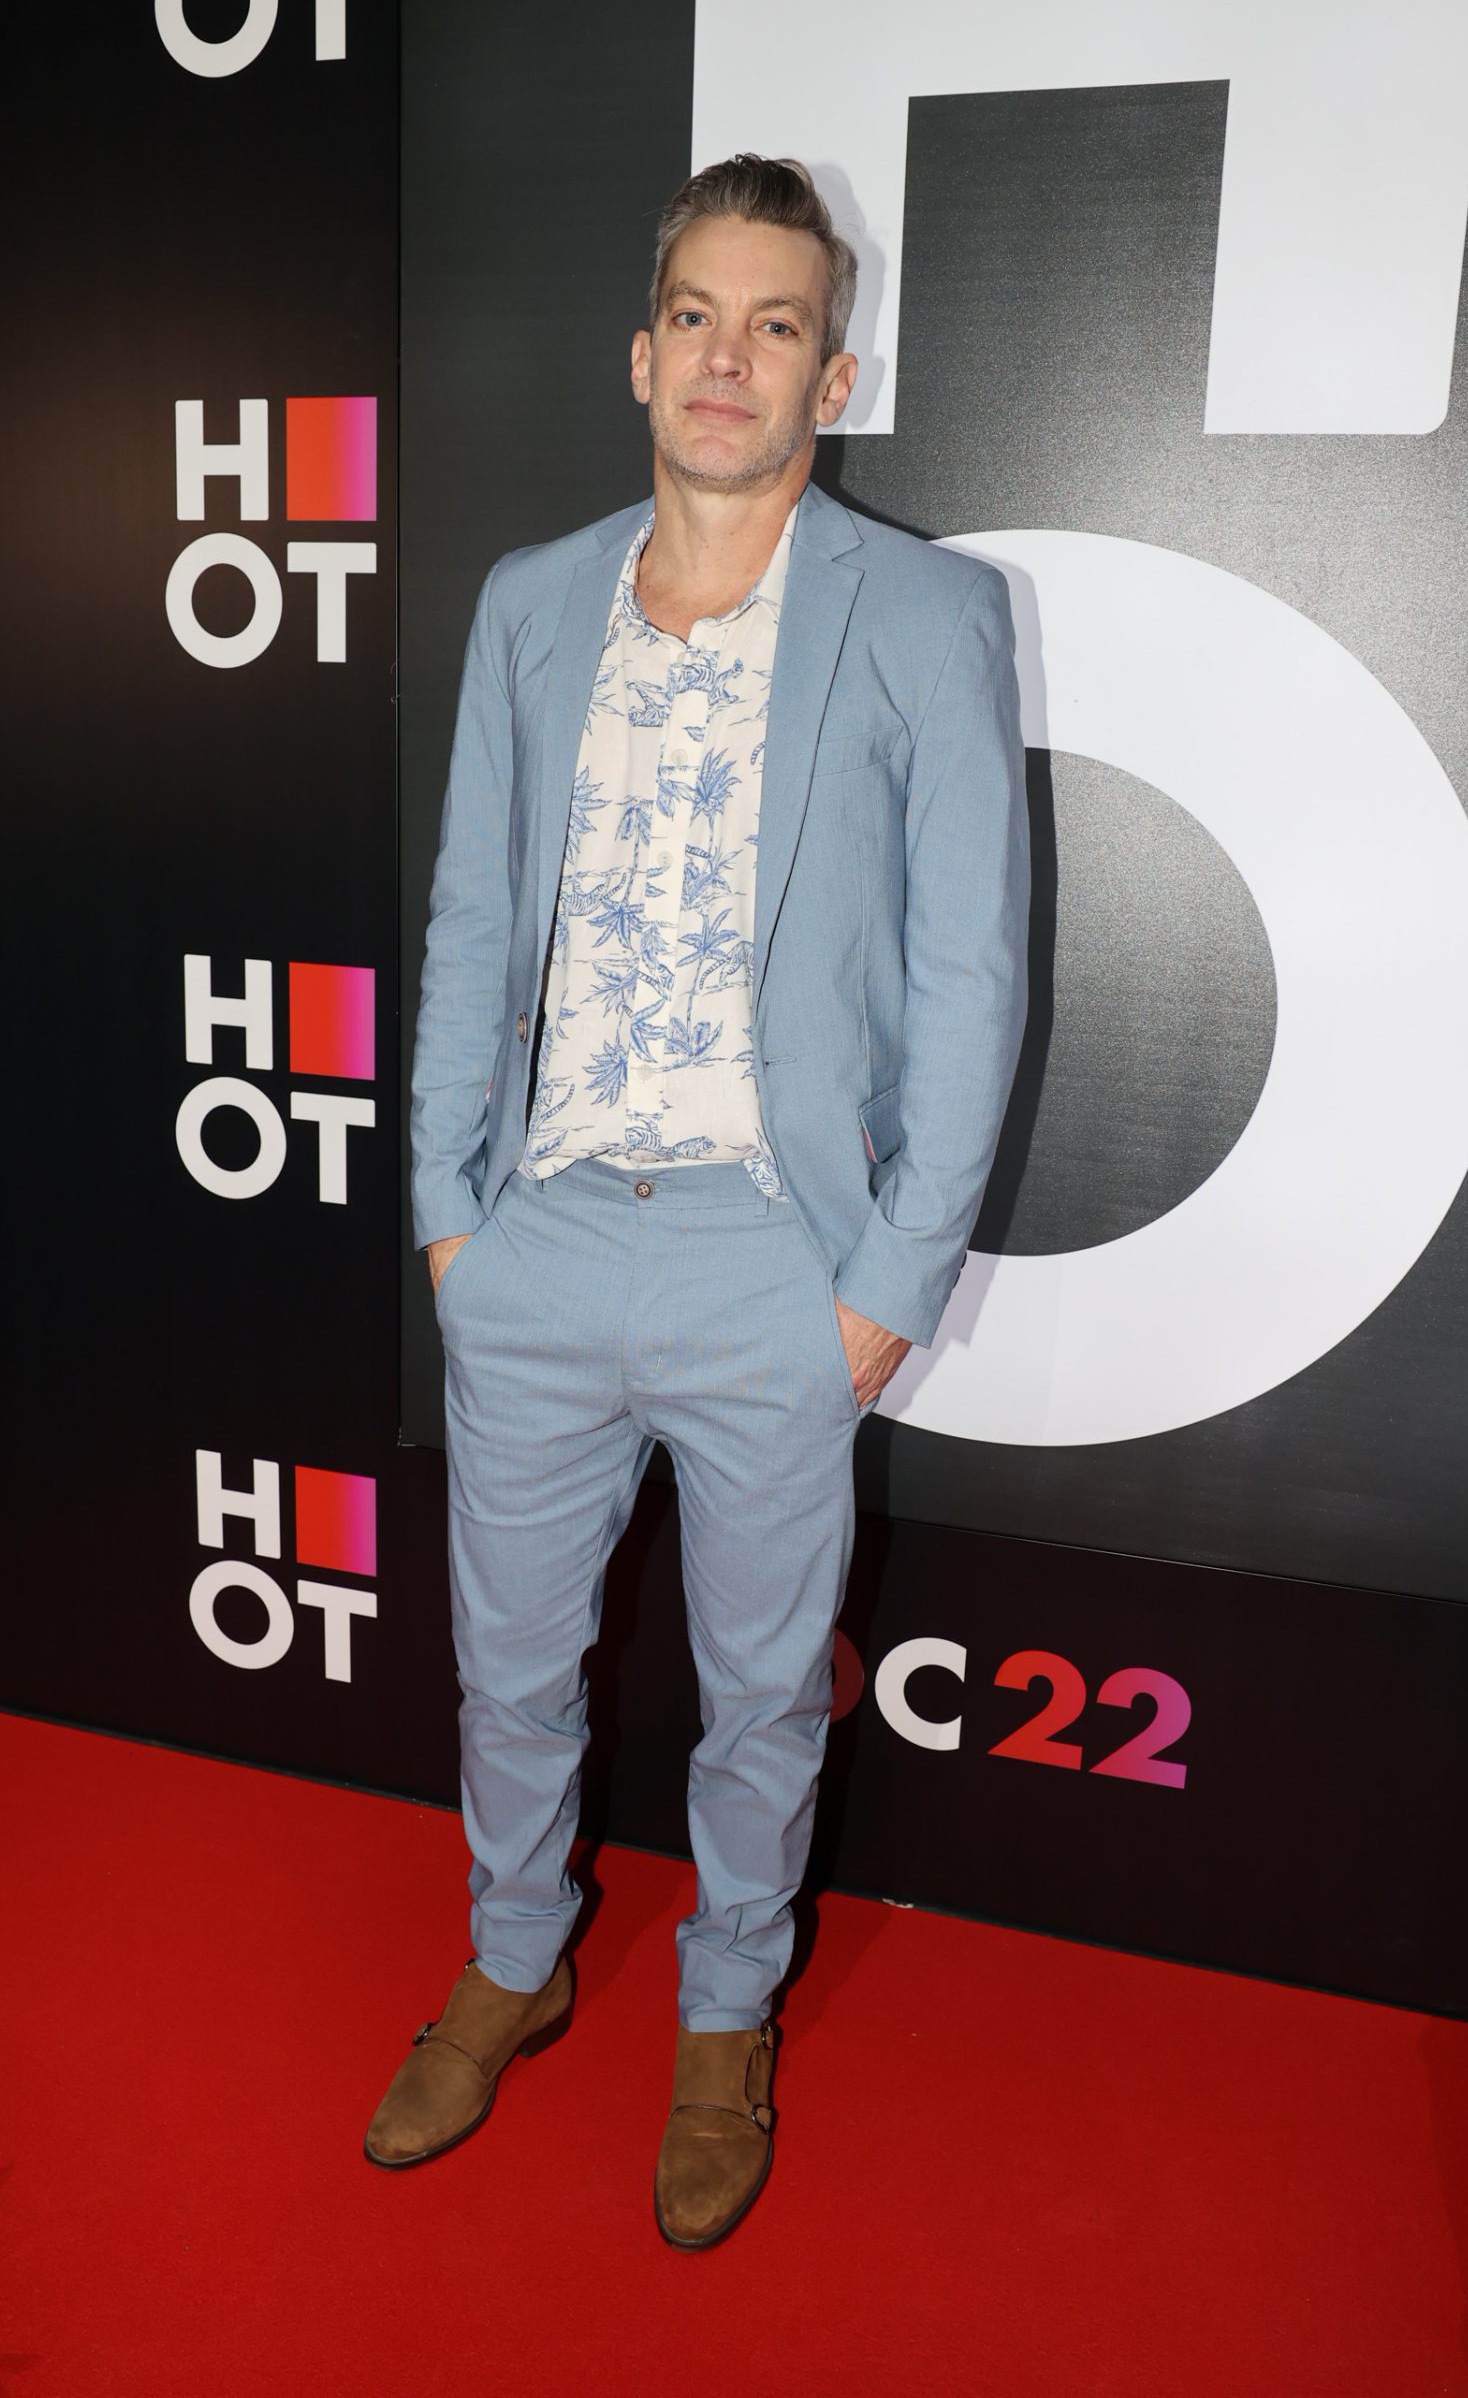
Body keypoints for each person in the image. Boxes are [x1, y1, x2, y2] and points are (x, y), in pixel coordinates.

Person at [368, 154, 1030, 2248]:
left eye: (774, 324)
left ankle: (727, 2012)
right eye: (694, 315)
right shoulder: (528, 601)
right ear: (637, 351)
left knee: (760, 1692)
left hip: (777, 1258)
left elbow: (970, 972)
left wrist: (886, 1279)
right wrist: (449, 1218)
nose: (725, 358)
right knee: (506, 1665)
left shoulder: (926, 613)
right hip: (540, 1238)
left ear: (833, 374)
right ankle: (514, 1956)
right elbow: (472, 921)